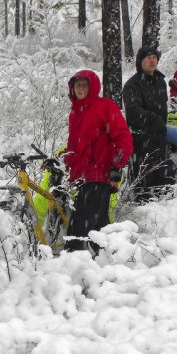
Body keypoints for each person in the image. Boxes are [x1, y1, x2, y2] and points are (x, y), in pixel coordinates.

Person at [62, 70, 133, 254]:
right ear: (72, 88)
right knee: (100, 229)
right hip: (83, 178)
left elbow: (123, 138)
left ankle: (71, 264)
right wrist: (61, 159)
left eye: (85, 85)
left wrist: (116, 167)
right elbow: (76, 146)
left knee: (79, 226)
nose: (81, 89)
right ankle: (109, 259)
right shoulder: (75, 113)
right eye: (78, 85)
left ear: (92, 87)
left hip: (99, 175)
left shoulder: (104, 106)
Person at [123, 47, 170, 202]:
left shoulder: (161, 82)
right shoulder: (132, 85)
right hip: (141, 143)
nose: (152, 60)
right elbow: (133, 112)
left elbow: (163, 110)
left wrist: (165, 128)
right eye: (148, 57)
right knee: (143, 189)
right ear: (140, 61)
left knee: (164, 186)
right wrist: (152, 119)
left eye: (154, 57)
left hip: (160, 141)